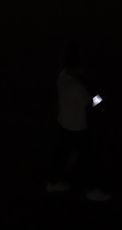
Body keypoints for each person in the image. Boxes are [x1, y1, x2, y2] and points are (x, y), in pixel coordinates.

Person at [47, 44, 111, 202]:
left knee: (61, 154)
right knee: (89, 158)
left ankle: (54, 182)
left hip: (63, 123)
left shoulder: (61, 76)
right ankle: (91, 190)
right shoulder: (78, 88)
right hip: (77, 128)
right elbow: (95, 103)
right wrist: (101, 97)